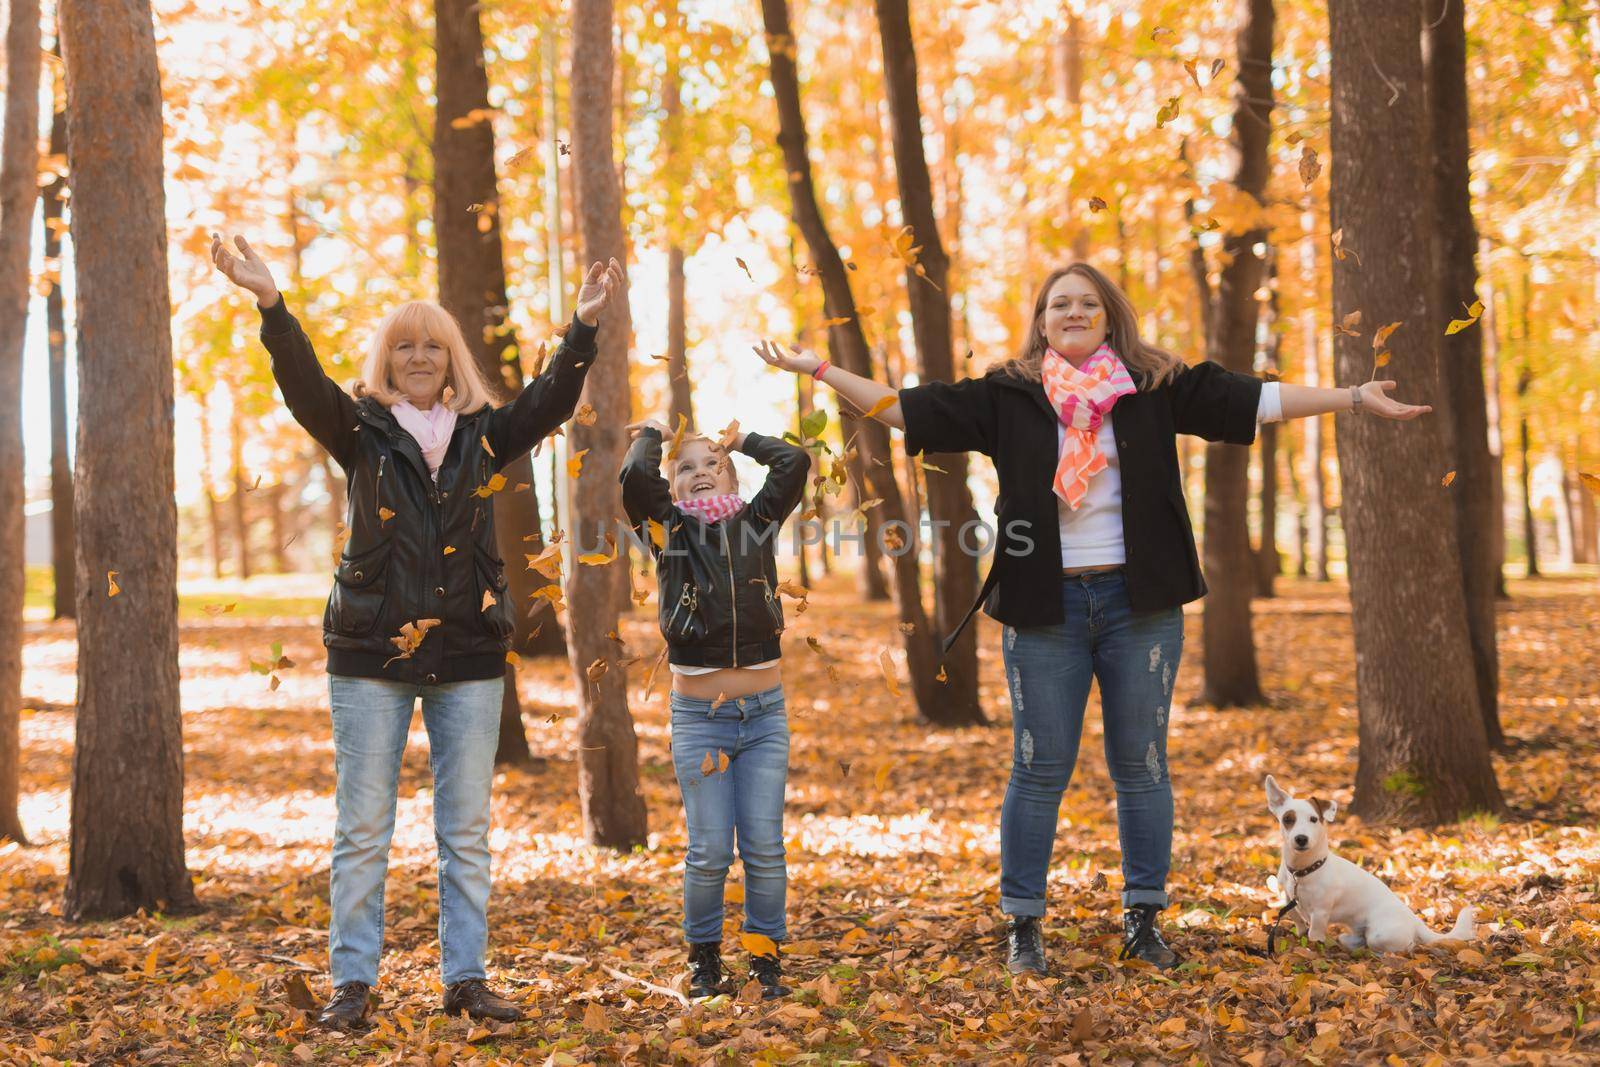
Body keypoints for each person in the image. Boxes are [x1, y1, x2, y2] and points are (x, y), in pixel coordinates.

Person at [752, 262, 1429, 974]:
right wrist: (821, 369)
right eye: (1059, 303)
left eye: (1087, 302)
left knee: (1141, 765)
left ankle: (1143, 919)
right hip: (1046, 609)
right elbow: (904, 410)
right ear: (1042, 320)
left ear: (1109, 317)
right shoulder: (1009, 395)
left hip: (1141, 607)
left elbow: (1257, 400)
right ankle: (1024, 925)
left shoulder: (1155, 386)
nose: (1073, 312)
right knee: (1037, 768)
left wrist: (1353, 397)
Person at [212, 232, 623, 1028]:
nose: (418, 355)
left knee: (464, 830)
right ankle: (352, 984)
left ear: (452, 357)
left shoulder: (484, 434)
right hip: (370, 651)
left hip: (468, 652)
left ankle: (465, 979)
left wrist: (582, 328)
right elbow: (301, 383)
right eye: (402, 345)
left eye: (432, 344)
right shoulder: (359, 429)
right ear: (387, 361)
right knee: (362, 827)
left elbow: (549, 400)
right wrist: (271, 303)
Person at [618, 417, 809, 998]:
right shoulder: (667, 531)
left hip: (764, 715)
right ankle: (704, 960)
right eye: (688, 467)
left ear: (731, 472)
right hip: (700, 720)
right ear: (673, 486)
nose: (701, 472)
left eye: (713, 463)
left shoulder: (758, 523)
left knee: (764, 848)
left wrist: (742, 438)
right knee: (707, 852)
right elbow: (632, 477)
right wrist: (651, 435)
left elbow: (794, 463)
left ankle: (764, 958)